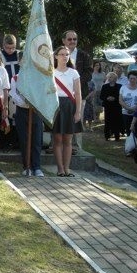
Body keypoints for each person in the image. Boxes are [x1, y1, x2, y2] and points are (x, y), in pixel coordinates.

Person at [10, 52, 44, 177]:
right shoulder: (15, 78)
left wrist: (34, 103)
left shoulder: (39, 78)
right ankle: (27, 166)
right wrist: (26, 101)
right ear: (19, 62)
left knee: (36, 140)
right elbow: (14, 95)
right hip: (22, 111)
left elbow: (42, 93)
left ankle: (37, 167)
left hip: (35, 112)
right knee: (24, 140)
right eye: (23, 60)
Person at [50, 45, 83, 177]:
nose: (65, 57)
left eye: (67, 54)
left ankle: (67, 168)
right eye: (62, 54)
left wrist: (78, 112)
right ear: (56, 56)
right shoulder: (51, 73)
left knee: (68, 139)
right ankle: (60, 168)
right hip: (56, 105)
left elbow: (78, 94)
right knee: (57, 139)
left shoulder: (73, 73)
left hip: (70, 106)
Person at [62, 30, 92, 150]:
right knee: (60, 119)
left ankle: (77, 147)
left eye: (74, 39)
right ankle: (58, 145)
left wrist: (75, 82)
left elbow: (88, 73)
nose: (72, 41)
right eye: (69, 39)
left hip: (79, 94)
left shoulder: (84, 55)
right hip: (61, 94)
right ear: (63, 41)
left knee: (77, 119)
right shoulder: (57, 54)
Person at [119, 70, 137, 161]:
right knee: (129, 131)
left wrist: (135, 108)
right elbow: (120, 100)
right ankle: (130, 149)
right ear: (128, 78)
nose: (132, 80)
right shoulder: (123, 88)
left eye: (134, 78)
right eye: (130, 78)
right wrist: (128, 108)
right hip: (126, 113)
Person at [100, 72, 123, 141]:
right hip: (108, 106)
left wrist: (115, 98)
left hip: (116, 106)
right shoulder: (105, 86)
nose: (109, 78)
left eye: (111, 77)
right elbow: (101, 96)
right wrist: (107, 98)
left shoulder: (120, 86)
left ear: (115, 79)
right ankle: (107, 135)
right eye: (108, 77)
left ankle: (117, 136)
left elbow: (121, 96)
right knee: (107, 121)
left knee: (116, 120)